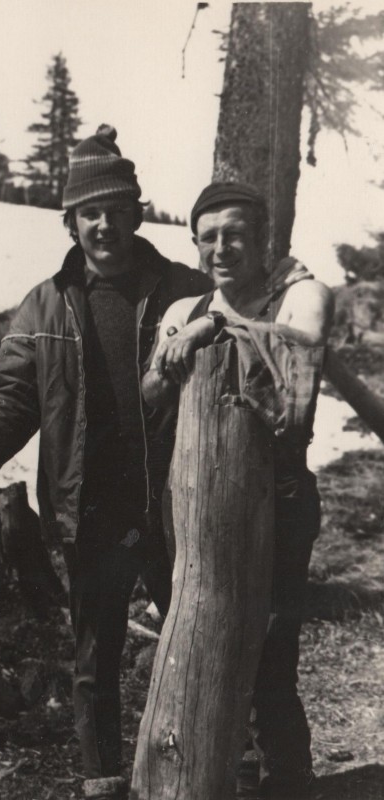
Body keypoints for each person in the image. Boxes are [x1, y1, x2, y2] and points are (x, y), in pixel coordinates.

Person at [0, 125, 211, 800]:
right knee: (92, 658)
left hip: (175, 497)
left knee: (197, 636)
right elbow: (13, 397)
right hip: (89, 507)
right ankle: (104, 783)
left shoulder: (183, 289)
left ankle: (221, 768)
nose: (103, 224)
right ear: (70, 221)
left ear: (135, 211)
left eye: (115, 210)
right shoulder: (43, 303)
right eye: (88, 213)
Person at [142, 182, 334, 800]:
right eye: (208, 236)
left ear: (263, 240)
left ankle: (286, 781)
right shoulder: (184, 309)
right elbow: (149, 392)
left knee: (270, 651)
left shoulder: (301, 296)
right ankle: (226, 772)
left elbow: (296, 374)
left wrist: (210, 332)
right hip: (199, 498)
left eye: (235, 234)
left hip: (277, 498)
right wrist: (183, 343)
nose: (221, 247)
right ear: (195, 245)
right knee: (205, 635)